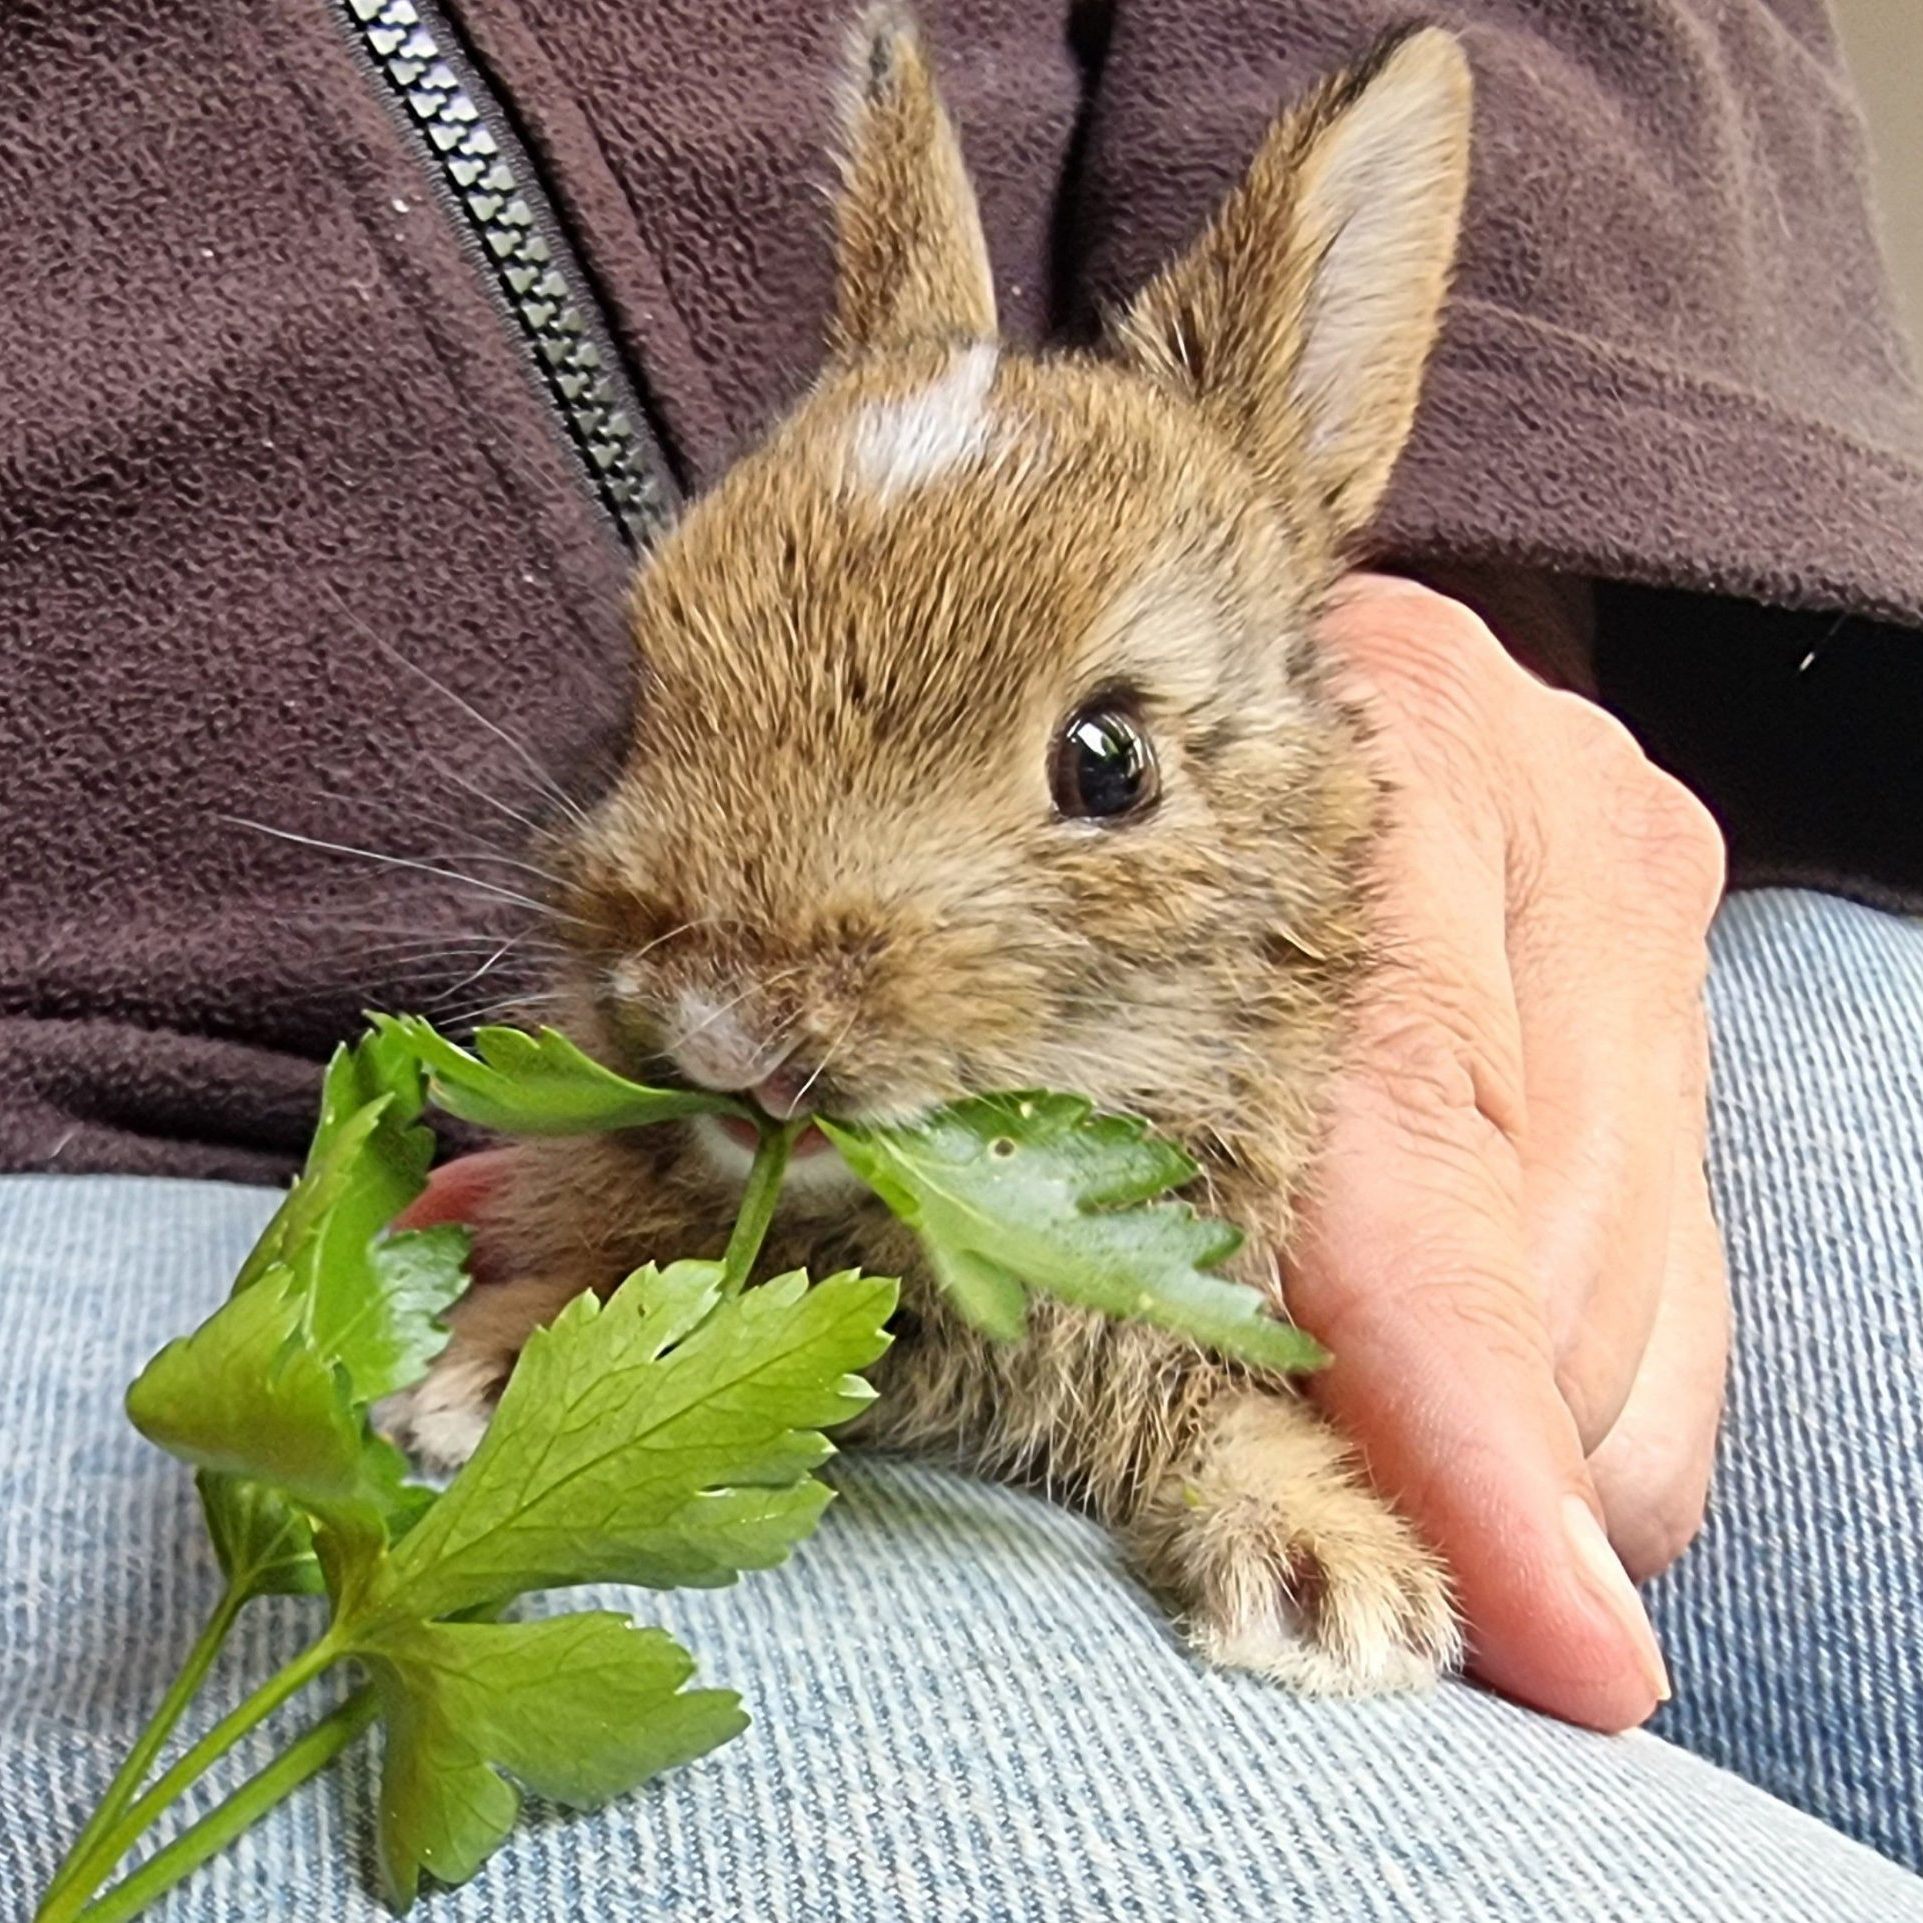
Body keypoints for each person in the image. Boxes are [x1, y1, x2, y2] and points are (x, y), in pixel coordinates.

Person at [3, 1, 1919, 1914]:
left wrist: (1506, 589)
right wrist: (600, 1254)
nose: (749, 1000)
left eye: (1098, 769)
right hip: (133, 1097)